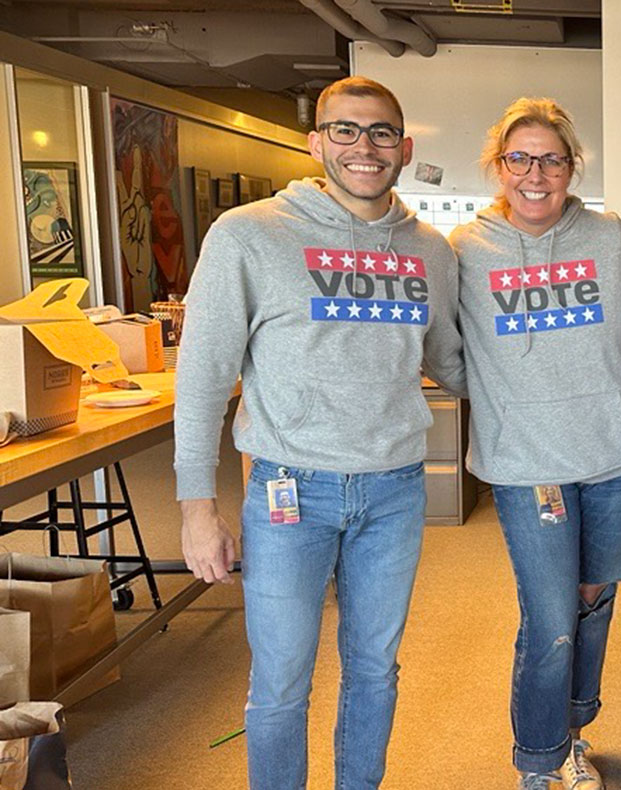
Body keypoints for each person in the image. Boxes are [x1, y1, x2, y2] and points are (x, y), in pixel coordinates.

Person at [174, 76, 464, 790]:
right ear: (315, 142)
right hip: (287, 492)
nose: (363, 148)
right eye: (345, 130)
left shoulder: (428, 249)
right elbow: (203, 373)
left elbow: (452, 359)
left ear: (405, 146)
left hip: (394, 490)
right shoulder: (249, 233)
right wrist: (196, 507)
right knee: (281, 679)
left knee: (373, 669)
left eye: (380, 133)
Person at [448, 97, 621, 790]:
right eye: (520, 158)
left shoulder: (613, 239)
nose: (535, 173)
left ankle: (573, 731)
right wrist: (504, 392)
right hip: (526, 460)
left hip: (611, 455)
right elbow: (445, 354)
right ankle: (538, 760)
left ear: (571, 167)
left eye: (551, 159)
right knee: (550, 616)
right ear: (497, 166)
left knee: (593, 600)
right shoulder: (467, 251)